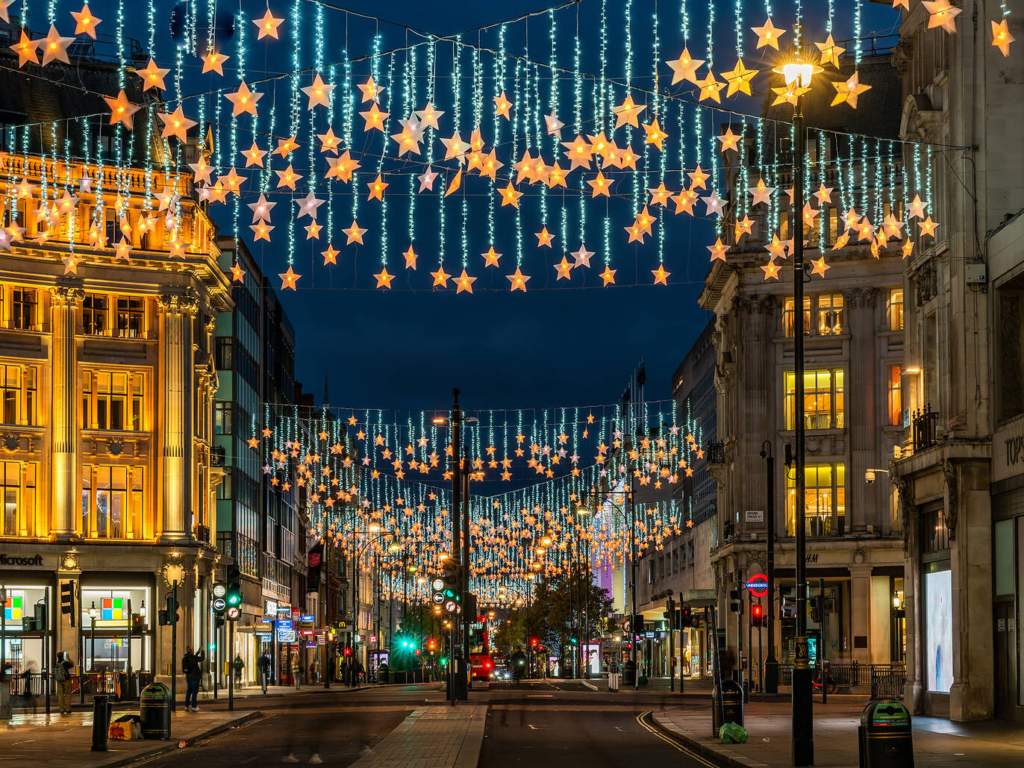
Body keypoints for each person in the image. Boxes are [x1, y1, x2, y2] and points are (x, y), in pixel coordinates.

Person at [182, 645, 205, 712]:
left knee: (189, 691)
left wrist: (198, 652)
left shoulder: (185, 658)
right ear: (191, 650)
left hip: (188, 677)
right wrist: (202, 651)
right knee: (194, 692)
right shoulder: (193, 658)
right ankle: (194, 706)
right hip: (195, 677)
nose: (193, 649)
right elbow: (202, 658)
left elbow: (194, 657)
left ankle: (186, 706)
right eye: (192, 648)